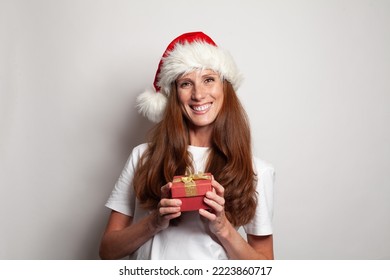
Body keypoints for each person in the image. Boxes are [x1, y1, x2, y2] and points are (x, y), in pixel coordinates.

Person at [99, 32, 275, 260]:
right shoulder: (142, 157)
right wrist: (154, 222)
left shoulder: (257, 171)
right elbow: (107, 251)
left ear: (225, 88)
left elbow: (265, 266)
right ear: (174, 94)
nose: (198, 94)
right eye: (186, 83)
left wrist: (223, 228)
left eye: (209, 79)